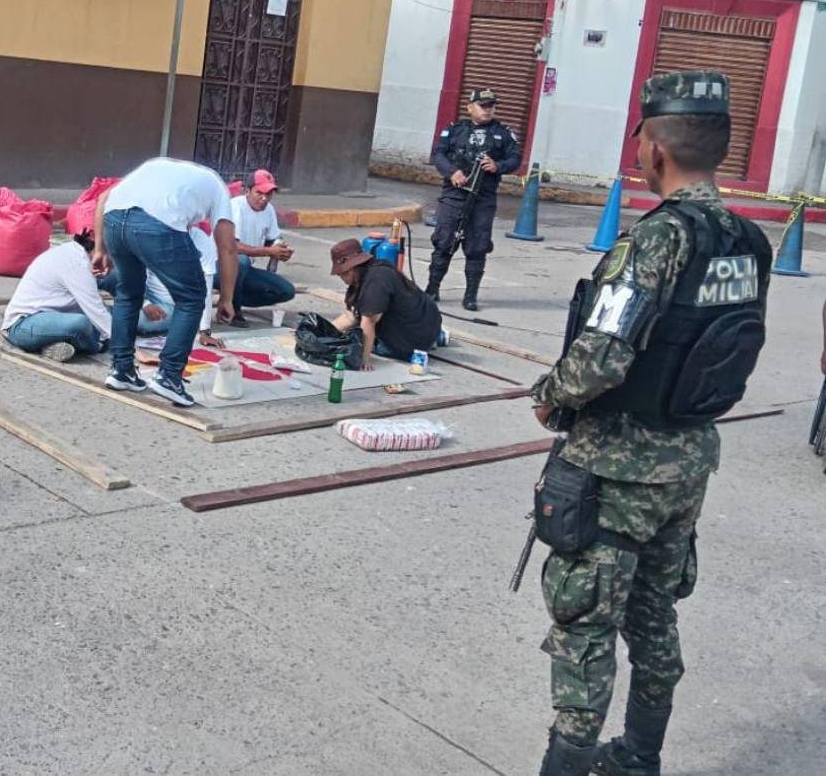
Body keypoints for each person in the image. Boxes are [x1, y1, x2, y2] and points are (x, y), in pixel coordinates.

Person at [528, 71, 771, 776]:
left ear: (654, 147)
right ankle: (639, 759)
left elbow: (602, 352)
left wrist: (550, 394)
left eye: (639, 134)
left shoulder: (659, 241)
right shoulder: (746, 240)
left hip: (616, 468)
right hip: (689, 461)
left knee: (585, 625)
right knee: (655, 614)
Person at [93, 158, 239, 407]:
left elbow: (104, 198)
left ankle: (121, 371)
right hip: (157, 225)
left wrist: (99, 248)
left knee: (128, 293)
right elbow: (227, 249)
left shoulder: (156, 166)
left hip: (115, 221)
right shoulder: (217, 188)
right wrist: (226, 297)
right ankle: (169, 376)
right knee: (192, 298)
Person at [426, 87, 521, 311]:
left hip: (483, 198)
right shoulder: (455, 130)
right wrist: (452, 172)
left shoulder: (502, 133)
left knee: (477, 246)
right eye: (483, 106)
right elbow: (438, 154)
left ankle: (470, 295)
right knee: (444, 241)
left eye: (491, 106)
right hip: (454, 195)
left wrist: (498, 166)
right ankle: (432, 288)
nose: (488, 110)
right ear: (470, 107)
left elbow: (515, 158)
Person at [100, 226, 224, 348]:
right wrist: (145, 303)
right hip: (144, 292)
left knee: (138, 320)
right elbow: (133, 269)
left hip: (173, 305)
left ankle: (101, 314)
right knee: (112, 274)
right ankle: (98, 310)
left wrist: (205, 331)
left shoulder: (200, 240)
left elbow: (206, 287)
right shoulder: (151, 231)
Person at [328, 238, 442, 371]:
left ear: (350, 270)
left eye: (340, 274)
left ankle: (418, 345)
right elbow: (352, 316)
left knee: (354, 342)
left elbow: (368, 321)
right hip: (429, 324)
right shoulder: (375, 268)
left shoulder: (375, 282)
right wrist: (324, 331)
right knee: (352, 331)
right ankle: (433, 339)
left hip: (412, 339)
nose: (340, 278)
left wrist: (363, 359)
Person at [2, 230, 111, 362]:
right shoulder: (77, 263)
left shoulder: (78, 254)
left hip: (54, 318)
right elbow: (96, 309)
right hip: (22, 325)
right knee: (82, 324)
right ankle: (95, 345)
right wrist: (128, 347)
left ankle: (55, 344)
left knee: (116, 316)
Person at [218, 169, 296, 327]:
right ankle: (232, 308)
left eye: (268, 194)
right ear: (248, 191)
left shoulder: (269, 210)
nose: (264, 198)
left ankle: (233, 296)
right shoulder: (236, 207)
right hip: (219, 267)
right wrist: (269, 251)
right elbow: (233, 248)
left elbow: (273, 239)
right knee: (241, 261)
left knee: (286, 290)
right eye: (259, 193)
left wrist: (279, 251)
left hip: (243, 271)